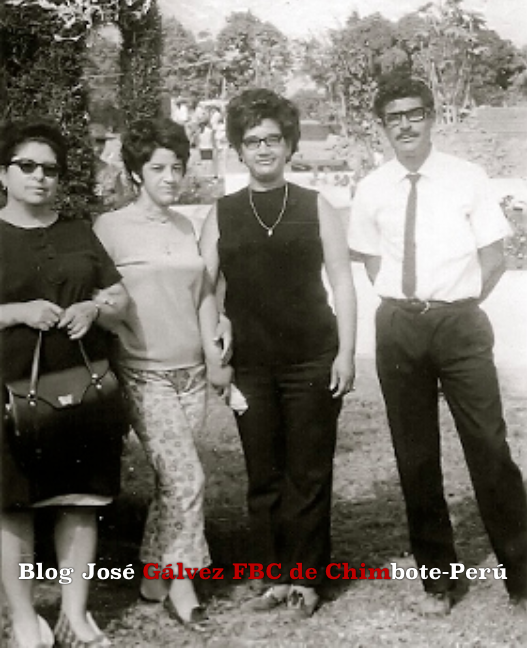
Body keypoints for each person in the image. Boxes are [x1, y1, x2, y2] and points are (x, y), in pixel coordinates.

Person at [348, 73, 527, 615]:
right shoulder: (372, 187)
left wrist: (456, 301)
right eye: (393, 118)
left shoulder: (466, 177)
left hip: (460, 325)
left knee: (489, 446)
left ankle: (522, 573)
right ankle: (438, 580)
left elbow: (494, 256)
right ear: (382, 127)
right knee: (415, 454)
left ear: (432, 118)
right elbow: (373, 259)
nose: (405, 125)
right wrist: (412, 301)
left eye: (414, 114)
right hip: (399, 326)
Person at [200, 89, 357, 617]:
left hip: (313, 356)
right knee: (263, 471)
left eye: (273, 138)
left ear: (289, 145)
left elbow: (343, 282)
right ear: (239, 150)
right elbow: (204, 289)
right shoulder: (222, 213)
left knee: (308, 471)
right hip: (250, 364)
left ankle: (308, 578)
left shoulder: (317, 206)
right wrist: (216, 350)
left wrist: (347, 353)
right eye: (252, 141)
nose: (264, 148)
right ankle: (273, 573)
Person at [94, 120, 231, 630]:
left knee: (172, 481)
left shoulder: (183, 226)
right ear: (136, 173)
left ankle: (153, 573)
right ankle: (183, 582)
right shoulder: (110, 229)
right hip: (143, 373)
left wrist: (214, 353)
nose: (171, 177)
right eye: (158, 168)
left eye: (177, 167)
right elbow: (98, 297)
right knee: (187, 477)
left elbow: (202, 294)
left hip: (190, 371)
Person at [0, 121, 129, 648]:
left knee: (80, 501)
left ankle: (74, 615)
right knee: (12, 505)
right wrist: (17, 312)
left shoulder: (78, 232)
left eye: (50, 169)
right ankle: (23, 618)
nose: (40, 177)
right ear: (3, 174)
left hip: (81, 388)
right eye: (27, 166)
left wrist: (94, 308)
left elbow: (120, 299)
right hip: (11, 393)